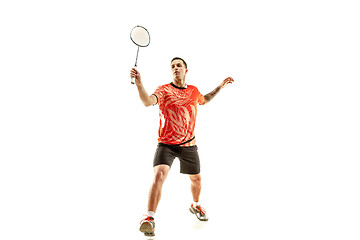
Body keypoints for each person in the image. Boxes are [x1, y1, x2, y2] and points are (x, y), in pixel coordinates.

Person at [130, 57, 234, 237]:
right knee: (159, 175)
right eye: (172, 66)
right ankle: (149, 218)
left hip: (189, 144)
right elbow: (147, 101)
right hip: (166, 144)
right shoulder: (163, 90)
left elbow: (205, 99)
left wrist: (220, 87)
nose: (175, 68)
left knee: (197, 180)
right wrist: (139, 83)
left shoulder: (193, 91)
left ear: (186, 70)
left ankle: (195, 206)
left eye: (179, 65)